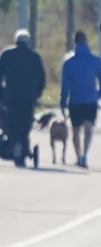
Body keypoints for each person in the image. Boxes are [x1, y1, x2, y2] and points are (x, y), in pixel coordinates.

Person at [0, 29, 46, 167]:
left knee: (10, 121)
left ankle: (13, 144)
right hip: (28, 98)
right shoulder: (34, 56)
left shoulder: (6, 54)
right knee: (26, 123)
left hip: (10, 97)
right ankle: (22, 146)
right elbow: (41, 79)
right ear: (28, 42)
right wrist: (37, 94)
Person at [60, 31, 101, 169]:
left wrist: (63, 101)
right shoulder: (95, 60)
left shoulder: (68, 61)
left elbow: (65, 85)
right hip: (91, 99)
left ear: (75, 42)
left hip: (75, 100)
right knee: (88, 128)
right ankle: (85, 153)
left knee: (75, 130)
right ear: (86, 42)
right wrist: (98, 95)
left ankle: (78, 156)